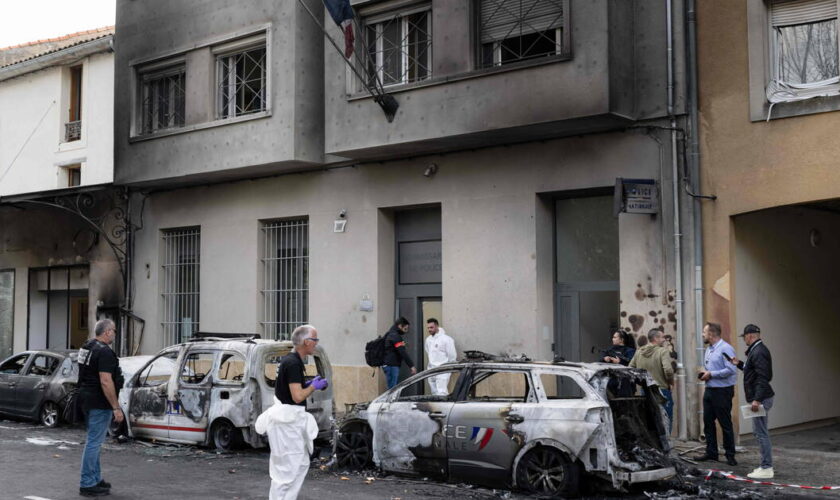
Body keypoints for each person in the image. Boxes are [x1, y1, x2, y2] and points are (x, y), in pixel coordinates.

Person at [256, 325, 326, 500]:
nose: (316, 344)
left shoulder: (292, 361)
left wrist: (309, 382)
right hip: (286, 424)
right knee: (286, 471)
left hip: (288, 422)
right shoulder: (293, 363)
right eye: (315, 340)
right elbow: (297, 396)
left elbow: (291, 390)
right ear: (306, 342)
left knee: (300, 464)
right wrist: (312, 387)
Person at [77, 319, 124, 497]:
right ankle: (87, 483)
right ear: (107, 332)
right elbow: (106, 381)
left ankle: (95, 479)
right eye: (114, 330)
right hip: (99, 402)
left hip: (86, 400)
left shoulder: (87, 347)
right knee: (94, 443)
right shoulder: (104, 352)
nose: (115, 334)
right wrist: (116, 407)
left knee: (94, 441)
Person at [729, 324, 775, 479]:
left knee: (761, 433)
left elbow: (764, 377)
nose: (744, 340)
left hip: (761, 398)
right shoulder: (756, 350)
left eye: (744, 337)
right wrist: (740, 364)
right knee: (759, 432)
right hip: (760, 397)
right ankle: (765, 466)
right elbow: (754, 371)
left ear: (750, 335)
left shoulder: (759, 351)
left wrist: (757, 399)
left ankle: (766, 467)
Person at [693, 322, 738, 466]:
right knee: (707, 422)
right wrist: (704, 374)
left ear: (711, 334)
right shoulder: (709, 349)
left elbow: (731, 369)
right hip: (710, 390)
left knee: (725, 423)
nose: (702, 335)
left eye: (704, 332)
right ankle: (711, 452)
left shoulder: (726, 348)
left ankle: (730, 455)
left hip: (722, 391)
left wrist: (711, 374)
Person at [629, 329, 675, 430]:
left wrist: (641, 382)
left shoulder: (639, 352)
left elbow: (630, 369)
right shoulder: (662, 351)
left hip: (645, 391)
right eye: (662, 337)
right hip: (661, 390)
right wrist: (671, 382)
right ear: (656, 338)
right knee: (665, 419)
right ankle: (665, 444)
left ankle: (653, 444)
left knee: (648, 419)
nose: (664, 340)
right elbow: (668, 370)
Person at [423, 318, 457, 396]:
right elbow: (428, 352)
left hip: (442, 370)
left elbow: (452, 356)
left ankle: (443, 408)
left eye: (431, 327)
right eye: (428, 328)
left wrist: (449, 367)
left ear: (437, 326)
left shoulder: (447, 339)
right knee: (434, 393)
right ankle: (436, 408)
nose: (429, 330)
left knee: (442, 393)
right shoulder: (428, 340)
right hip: (431, 370)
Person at [382, 317, 416, 389]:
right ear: (400, 326)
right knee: (392, 390)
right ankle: (390, 401)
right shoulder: (395, 336)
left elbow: (395, 348)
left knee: (391, 388)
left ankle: (390, 400)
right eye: (405, 329)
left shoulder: (391, 333)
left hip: (389, 364)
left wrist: (402, 345)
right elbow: (402, 352)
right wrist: (411, 366)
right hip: (392, 365)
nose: (406, 331)